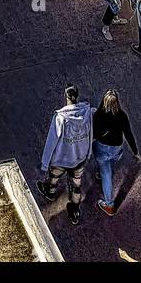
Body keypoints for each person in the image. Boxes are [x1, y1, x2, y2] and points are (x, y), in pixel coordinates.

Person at [39, 85, 93, 226]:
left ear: (66, 96)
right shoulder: (87, 112)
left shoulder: (60, 117)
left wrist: (45, 163)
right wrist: (88, 152)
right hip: (80, 157)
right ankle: (74, 210)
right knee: (76, 184)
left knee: (54, 176)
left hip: (62, 158)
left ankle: (50, 191)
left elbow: (52, 140)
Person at [92, 89, 140, 216]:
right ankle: (104, 172)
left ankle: (109, 204)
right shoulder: (122, 115)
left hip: (102, 148)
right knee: (111, 164)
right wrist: (135, 152)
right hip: (116, 148)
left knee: (105, 174)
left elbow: (95, 135)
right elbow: (129, 135)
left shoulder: (99, 115)